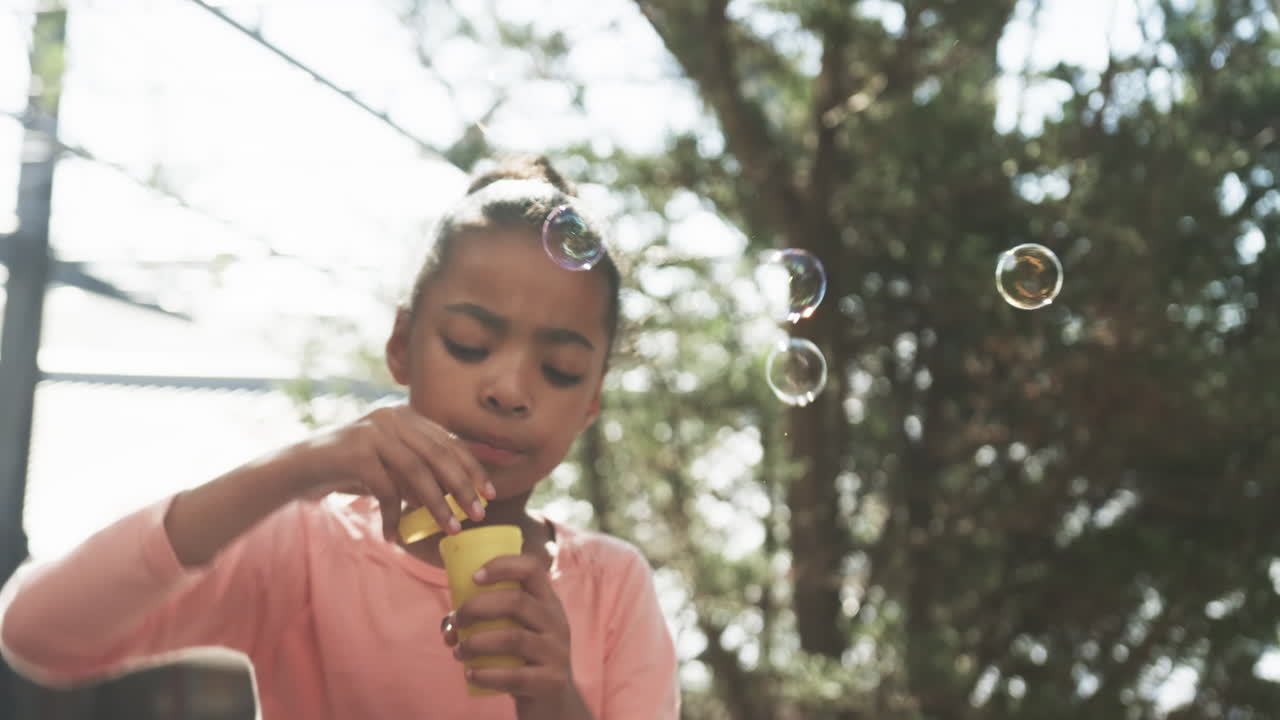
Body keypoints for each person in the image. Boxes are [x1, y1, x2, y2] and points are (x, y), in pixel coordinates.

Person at [0, 156, 680, 719]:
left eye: (559, 370)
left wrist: (556, 699)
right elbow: (37, 633)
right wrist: (299, 467)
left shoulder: (612, 587)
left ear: (590, 405)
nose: (508, 388)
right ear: (401, 349)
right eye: (469, 343)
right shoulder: (303, 549)